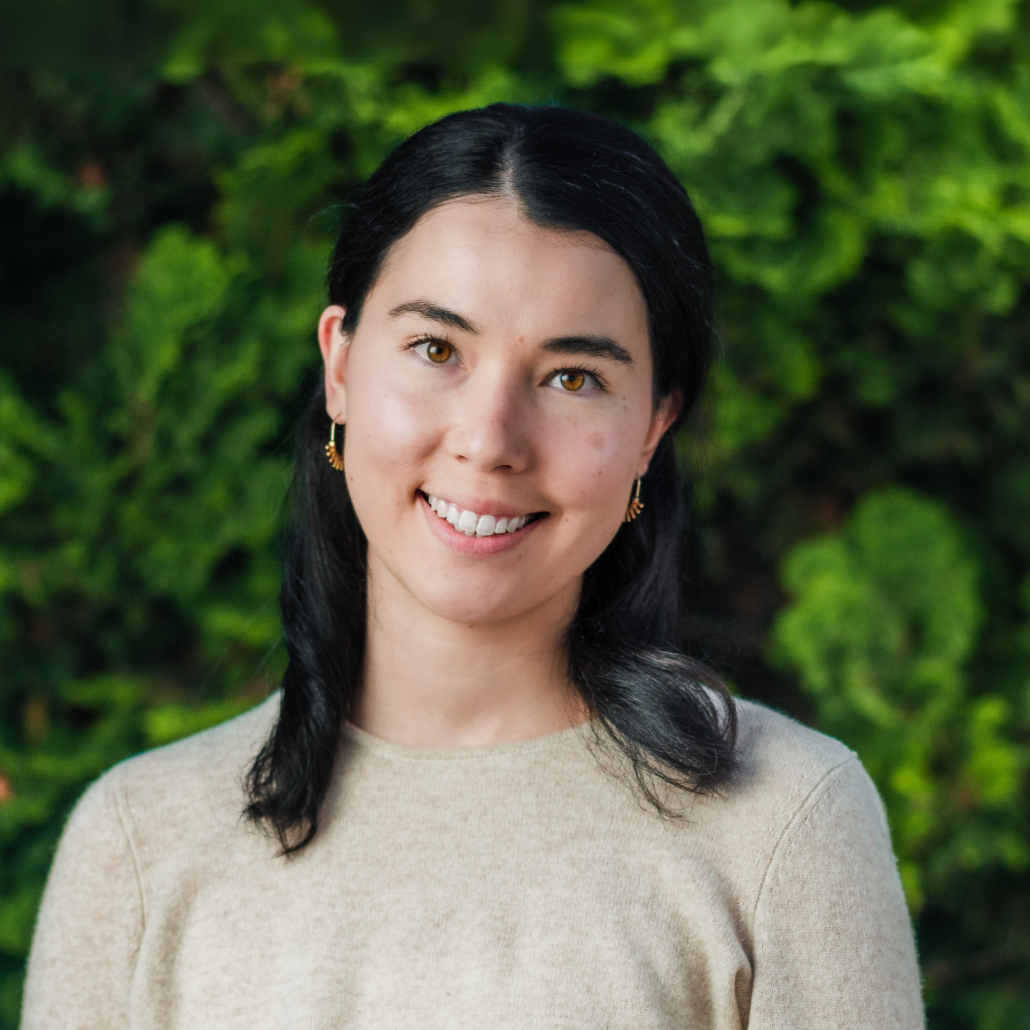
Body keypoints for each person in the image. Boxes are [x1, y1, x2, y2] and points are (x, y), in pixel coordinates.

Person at [21, 103, 924, 1029]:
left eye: (573, 376)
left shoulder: (784, 825)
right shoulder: (138, 843)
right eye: (435, 349)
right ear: (339, 366)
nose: (490, 441)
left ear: (655, 426)